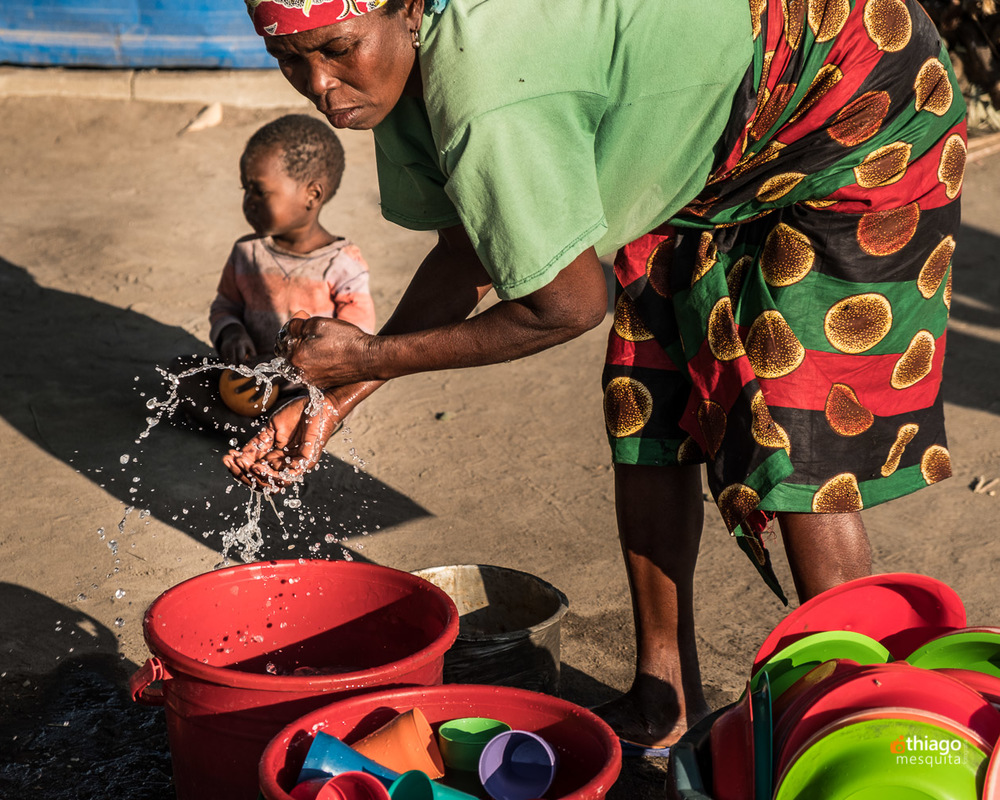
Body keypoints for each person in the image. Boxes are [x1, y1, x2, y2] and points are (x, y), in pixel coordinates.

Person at [227, 0, 967, 752]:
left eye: (338, 49)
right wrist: (330, 401)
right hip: (727, 123)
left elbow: (567, 305)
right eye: (292, 61)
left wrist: (368, 357)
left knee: (792, 405)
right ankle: (663, 698)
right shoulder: (396, 79)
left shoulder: (484, 91)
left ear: (408, 9)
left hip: (851, 82)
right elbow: (468, 250)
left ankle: (855, 722)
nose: (319, 84)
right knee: (647, 383)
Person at [172, 113, 376, 428]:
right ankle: (255, 432)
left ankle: (262, 430)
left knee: (311, 411)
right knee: (182, 375)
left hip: (306, 387)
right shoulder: (246, 253)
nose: (248, 202)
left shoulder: (341, 264)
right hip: (247, 378)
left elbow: (356, 338)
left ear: (312, 195)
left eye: (259, 192)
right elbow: (225, 306)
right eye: (245, 190)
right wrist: (231, 332)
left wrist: (308, 365)